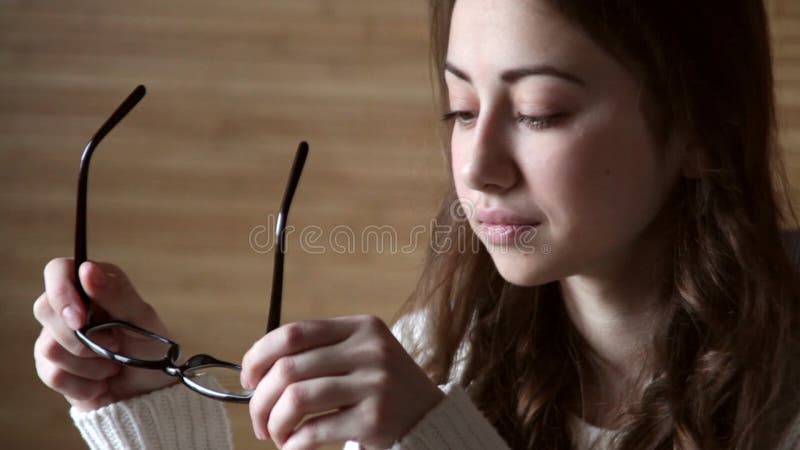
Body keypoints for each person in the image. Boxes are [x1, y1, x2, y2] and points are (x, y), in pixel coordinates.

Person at [32, 0, 800, 448]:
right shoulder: (436, 354)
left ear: (702, 126)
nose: (477, 166)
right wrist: (143, 411)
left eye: (540, 113)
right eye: (462, 109)